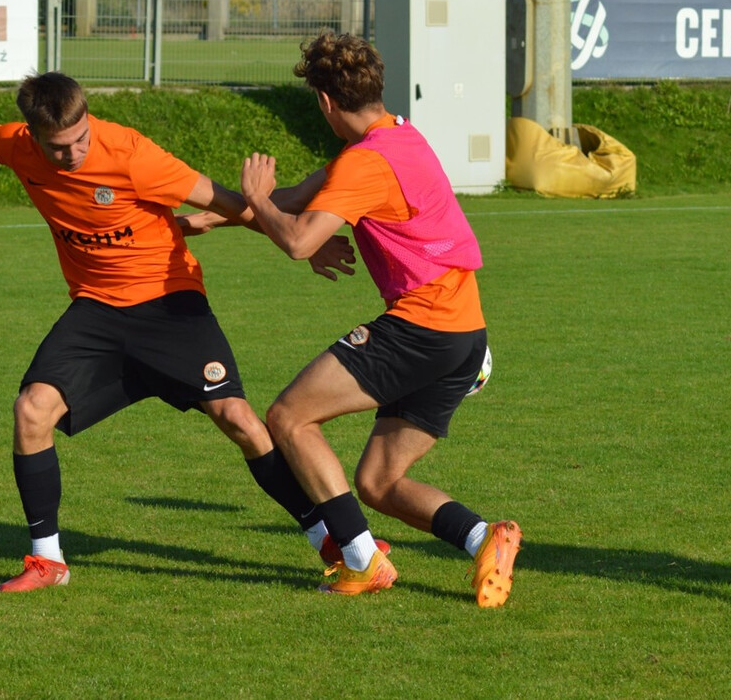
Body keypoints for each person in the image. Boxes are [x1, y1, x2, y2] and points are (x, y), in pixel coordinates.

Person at [0, 72, 359, 592]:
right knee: (31, 410)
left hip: (170, 302)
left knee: (239, 419)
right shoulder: (17, 146)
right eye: (58, 147)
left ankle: (324, 537)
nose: (73, 153)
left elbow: (228, 204)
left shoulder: (132, 154)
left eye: (81, 138)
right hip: (96, 311)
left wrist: (300, 244)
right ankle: (47, 561)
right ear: (32, 134)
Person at [192, 31, 521, 605]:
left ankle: (363, 561)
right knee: (378, 482)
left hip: (422, 327)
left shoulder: (362, 165)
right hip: (464, 333)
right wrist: (200, 220)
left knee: (289, 417)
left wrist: (257, 196)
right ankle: (483, 539)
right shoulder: (401, 137)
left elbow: (296, 239)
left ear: (324, 101)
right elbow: (293, 202)